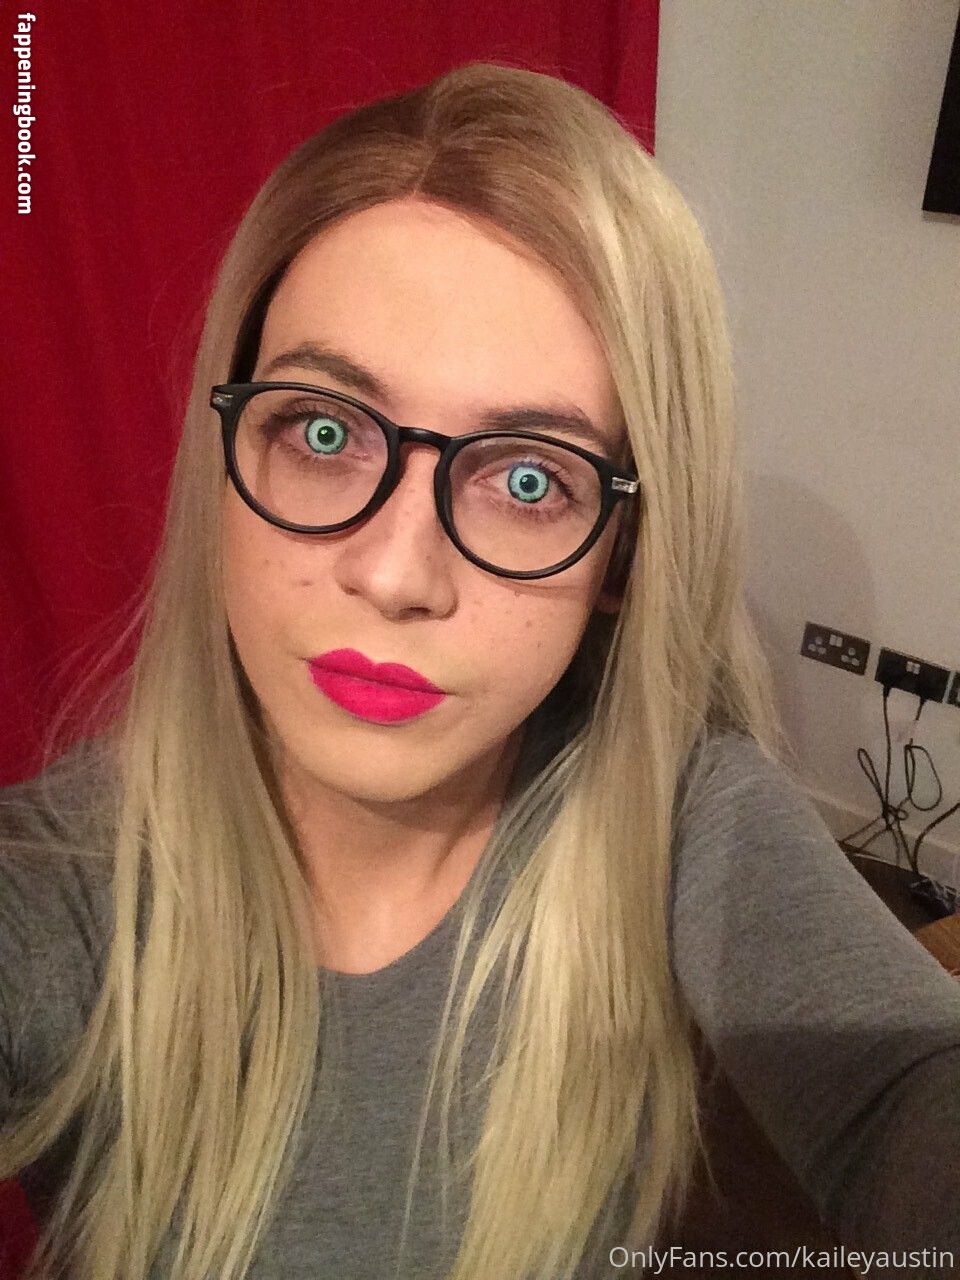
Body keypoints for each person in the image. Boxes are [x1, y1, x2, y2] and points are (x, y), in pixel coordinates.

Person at [1, 60, 959, 1280]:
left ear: (624, 554)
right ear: (228, 446)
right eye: (325, 431)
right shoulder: (57, 889)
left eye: (528, 477)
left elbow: (908, 1089)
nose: (396, 573)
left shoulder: (675, 816)